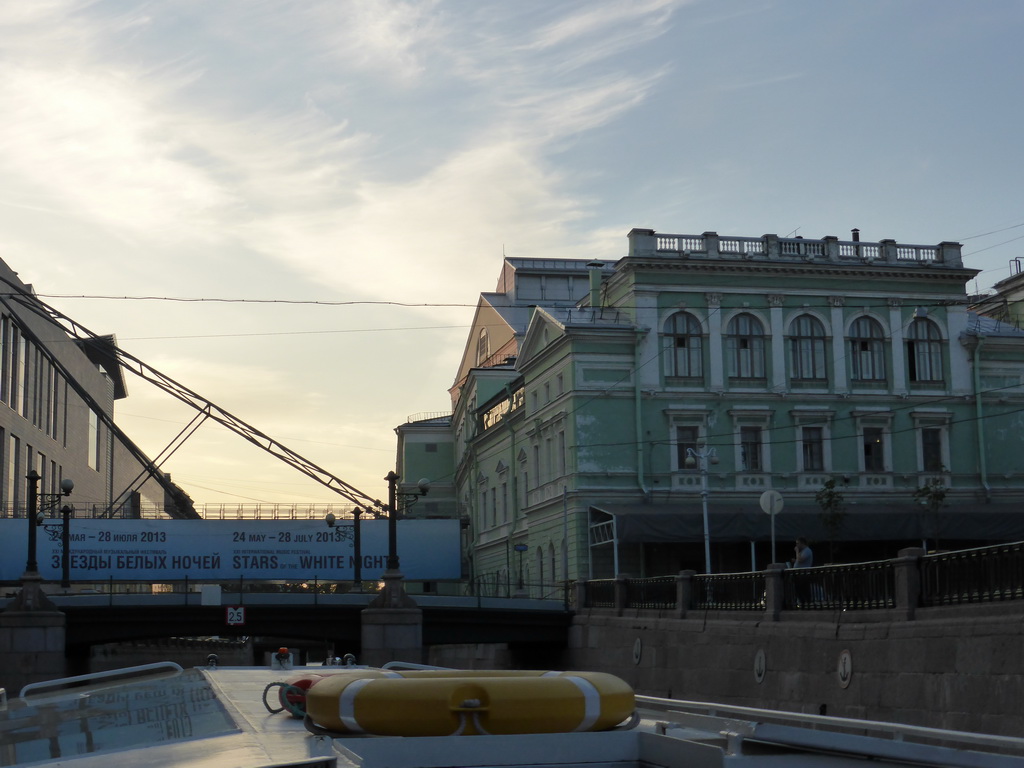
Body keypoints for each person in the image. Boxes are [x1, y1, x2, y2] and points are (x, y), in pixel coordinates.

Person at [791, 537, 814, 606]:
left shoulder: (807, 550)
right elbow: (799, 560)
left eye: (797, 543)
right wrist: (795, 561)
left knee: (804, 589)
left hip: (803, 574)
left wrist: (797, 551)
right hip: (799, 574)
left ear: (802, 543)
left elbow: (800, 559)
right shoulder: (803, 551)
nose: (796, 545)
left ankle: (806, 602)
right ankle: (802, 602)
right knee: (798, 589)